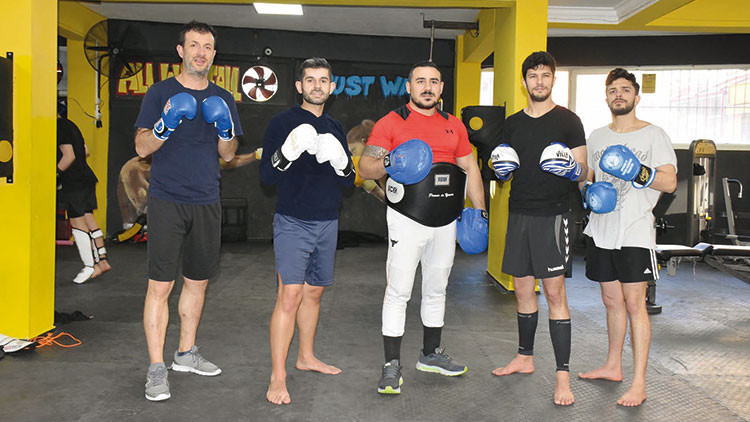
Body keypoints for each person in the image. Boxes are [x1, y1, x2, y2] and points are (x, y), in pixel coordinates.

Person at [358, 61, 486, 395]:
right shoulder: (391, 122)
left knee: (437, 288)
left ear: (441, 88)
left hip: (446, 219)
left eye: (433, 82)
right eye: (420, 81)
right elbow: (365, 167)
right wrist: (390, 161)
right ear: (409, 87)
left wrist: (480, 211)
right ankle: (391, 365)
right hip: (407, 218)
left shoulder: (454, 125)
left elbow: (470, 167)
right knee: (398, 290)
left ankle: (430, 354)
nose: (427, 87)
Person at [133, 20, 242, 402]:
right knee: (160, 286)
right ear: (181, 51)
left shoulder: (223, 97)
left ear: (214, 54)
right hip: (167, 199)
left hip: (207, 199)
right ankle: (156, 367)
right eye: (194, 45)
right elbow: (142, 147)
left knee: (197, 282)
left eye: (207, 47)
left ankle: (185, 353)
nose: (201, 52)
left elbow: (228, 154)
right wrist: (165, 125)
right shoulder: (159, 92)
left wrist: (225, 129)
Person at [489, 51, 588, 406]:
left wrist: (572, 169)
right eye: (533, 75)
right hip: (519, 212)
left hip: (554, 215)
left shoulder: (568, 120)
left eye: (545, 75)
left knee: (555, 294)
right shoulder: (513, 124)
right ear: (524, 81)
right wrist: (499, 172)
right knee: (522, 289)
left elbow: (583, 170)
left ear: (553, 80)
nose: (539, 81)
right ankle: (524, 357)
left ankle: (562, 377)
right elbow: (503, 171)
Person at [577, 68, 677, 407]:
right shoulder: (596, 136)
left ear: (636, 96)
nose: (618, 94)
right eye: (612, 90)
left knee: (636, 304)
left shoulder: (654, 135)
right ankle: (613, 366)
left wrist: (639, 172)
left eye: (625, 89)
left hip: (634, 230)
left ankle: (639, 383)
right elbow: (588, 178)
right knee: (611, 302)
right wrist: (587, 190)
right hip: (601, 230)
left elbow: (670, 182)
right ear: (606, 97)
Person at [259, 57, 354, 405]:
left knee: (314, 293)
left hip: (327, 219)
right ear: (299, 86)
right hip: (293, 219)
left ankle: (306, 356)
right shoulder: (281, 123)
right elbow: (267, 177)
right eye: (310, 80)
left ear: (332, 87)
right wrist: (286, 153)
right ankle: (278, 375)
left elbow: (349, 182)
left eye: (323, 80)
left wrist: (342, 162)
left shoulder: (336, 127)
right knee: (290, 295)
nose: (317, 86)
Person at [57, 102, 111, 284]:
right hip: (86, 177)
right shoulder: (71, 125)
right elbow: (85, 151)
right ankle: (102, 260)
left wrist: (55, 173)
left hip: (75, 182)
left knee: (77, 222)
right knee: (89, 219)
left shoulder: (59, 127)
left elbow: (69, 156)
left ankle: (90, 266)